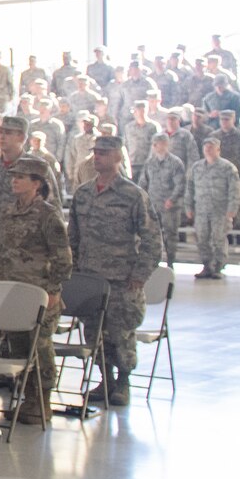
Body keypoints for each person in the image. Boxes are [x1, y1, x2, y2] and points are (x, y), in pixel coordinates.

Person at [69, 134, 162, 405]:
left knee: (121, 333)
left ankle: (123, 382)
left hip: (121, 279)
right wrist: (73, 270)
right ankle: (105, 379)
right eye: (96, 152)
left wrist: (140, 274)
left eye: (104, 153)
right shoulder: (84, 193)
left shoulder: (132, 195)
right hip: (90, 277)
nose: (98, 157)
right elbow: (73, 235)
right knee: (94, 332)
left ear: (118, 157)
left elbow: (152, 238)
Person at [0, 157, 72, 425]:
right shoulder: (7, 212)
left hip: (39, 292)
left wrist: (55, 290)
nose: (15, 180)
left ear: (37, 184)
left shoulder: (48, 215)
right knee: (18, 348)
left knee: (40, 347)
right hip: (11, 290)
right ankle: (28, 399)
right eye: (14, 176)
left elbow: (63, 257)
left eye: (21, 177)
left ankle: (42, 402)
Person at [186, 137, 240, 281]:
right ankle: (206, 266)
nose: (208, 151)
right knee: (202, 239)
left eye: (211, 148)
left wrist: (232, 209)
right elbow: (190, 188)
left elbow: (235, 190)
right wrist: (188, 206)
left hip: (220, 210)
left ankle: (218, 267)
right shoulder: (197, 167)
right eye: (206, 148)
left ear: (218, 150)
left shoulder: (227, 168)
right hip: (201, 210)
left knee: (218, 239)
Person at [140, 134, 187, 266]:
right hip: (153, 205)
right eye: (154, 143)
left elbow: (180, 184)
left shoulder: (175, 163)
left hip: (169, 206)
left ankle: (170, 261)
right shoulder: (150, 162)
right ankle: (155, 261)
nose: (154, 146)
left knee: (170, 235)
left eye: (158, 143)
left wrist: (172, 200)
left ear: (165, 144)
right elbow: (143, 182)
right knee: (153, 234)